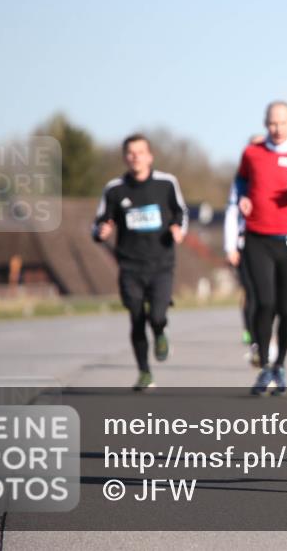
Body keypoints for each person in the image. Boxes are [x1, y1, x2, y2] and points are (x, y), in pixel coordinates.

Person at [93, 134, 188, 391]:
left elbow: (181, 212)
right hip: (129, 265)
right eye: (130, 153)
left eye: (140, 152)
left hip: (162, 263)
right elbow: (101, 221)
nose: (135, 157)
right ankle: (144, 372)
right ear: (125, 157)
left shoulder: (167, 184)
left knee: (157, 315)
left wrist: (178, 228)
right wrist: (101, 232)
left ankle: (159, 332)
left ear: (150, 156)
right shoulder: (114, 189)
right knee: (136, 317)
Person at [237, 101, 287, 396]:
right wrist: (243, 198)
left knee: (286, 308)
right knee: (264, 302)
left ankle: (279, 364)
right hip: (257, 238)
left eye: (282, 123)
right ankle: (266, 365)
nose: (277, 128)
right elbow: (241, 183)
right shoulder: (252, 153)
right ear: (264, 123)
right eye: (271, 123)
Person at [224, 133, 271, 366]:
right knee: (252, 294)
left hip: (275, 243)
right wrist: (230, 247)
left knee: (272, 297)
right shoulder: (241, 180)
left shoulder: (274, 171)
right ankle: (255, 339)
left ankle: (265, 337)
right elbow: (232, 213)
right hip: (246, 245)